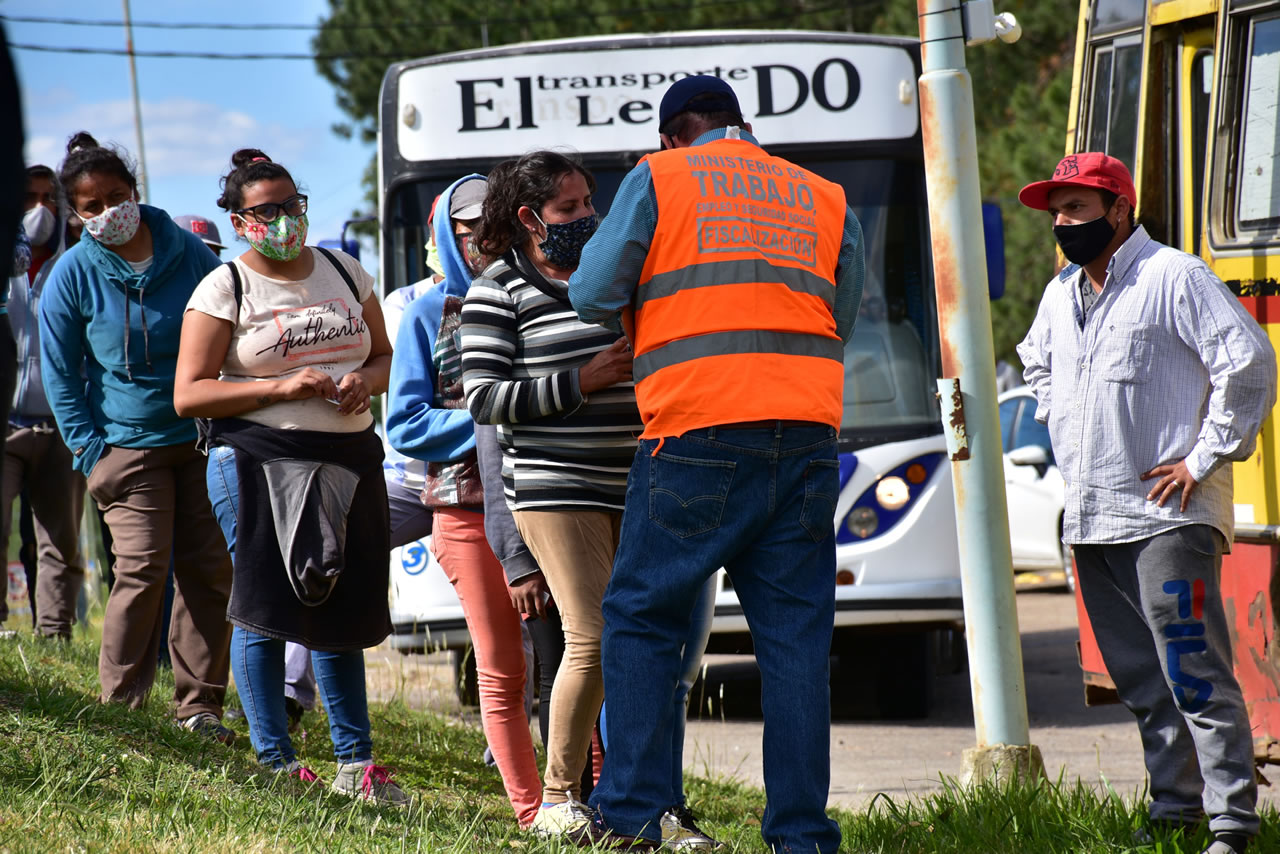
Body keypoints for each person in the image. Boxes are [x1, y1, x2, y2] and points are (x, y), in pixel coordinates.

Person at [568, 76, 864, 853]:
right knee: (796, 644)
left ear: (674, 135)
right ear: (743, 125)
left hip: (697, 429)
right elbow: (842, 313)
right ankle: (802, 836)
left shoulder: (660, 176)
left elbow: (592, 294)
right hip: (806, 435)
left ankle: (632, 815)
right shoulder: (822, 194)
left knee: (642, 618)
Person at [1016, 152, 1276, 854]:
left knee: (1194, 674)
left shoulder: (1174, 277)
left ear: (1120, 208)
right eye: (1056, 212)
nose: (1062, 224)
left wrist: (1202, 458)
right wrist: (1059, 412)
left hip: (1168, 520)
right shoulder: (1061, 294)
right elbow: (1036, 359)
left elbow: (1249, 363)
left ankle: (1232, 824)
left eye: (1076, 208)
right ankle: (1174, 812)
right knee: (1141, 680)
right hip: (1093, 521)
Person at [173, 148, 405, 803]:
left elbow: (384, 357)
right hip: (256, 459)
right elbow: (188, 394)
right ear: (240, 221)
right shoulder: (224, 287)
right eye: (267, 210)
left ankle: (356, 766)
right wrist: (278, 387)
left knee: (342, 606)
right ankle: (275, 763)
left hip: (349, 459)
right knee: (264, 607)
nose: (283, 219)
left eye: (291, 205)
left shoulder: (344, 270)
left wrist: (364, 381)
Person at [458, 150, 641, 839]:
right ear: (530, 218)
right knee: (591, 636)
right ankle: (560, 799)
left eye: (589, 202)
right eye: (569, 208)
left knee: (641, 643)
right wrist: (582, 381)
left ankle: (637, 796)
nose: (586, 216)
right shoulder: (498, 289)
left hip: (637, 480)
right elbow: (484, 399)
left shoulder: (612, 276)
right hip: (554, 486)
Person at [38, 132, 234, 740]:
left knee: (207, 572)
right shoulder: (71, 274)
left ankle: (200, 707)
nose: (107, 213)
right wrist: (90, 451)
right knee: (143, 570)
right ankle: (119, 709)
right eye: (91, 207)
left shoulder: (189, 252)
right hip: (125, 449)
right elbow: (60, 373)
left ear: (135, 190)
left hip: (199, 440)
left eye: (115, 197)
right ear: (76, 215)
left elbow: (230, 321)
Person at [387, 174, 544, 827]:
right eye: (468, 228)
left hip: (551, 501)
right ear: (445, 237)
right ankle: (533, 811)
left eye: (494, 223)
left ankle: (591, 795)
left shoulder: (542, 294)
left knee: (579, 655)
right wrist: (496, 419)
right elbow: (405, 424)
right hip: (468, 508)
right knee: (502, 663)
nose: (484, 237)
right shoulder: (427, 314)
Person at [0, 165, 86, 639]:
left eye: (48, 198)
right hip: (7, 422)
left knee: (60, 537)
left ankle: (55, 632)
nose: (39, 208)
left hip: (60, 424)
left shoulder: (75, 265)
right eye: (28, 198)